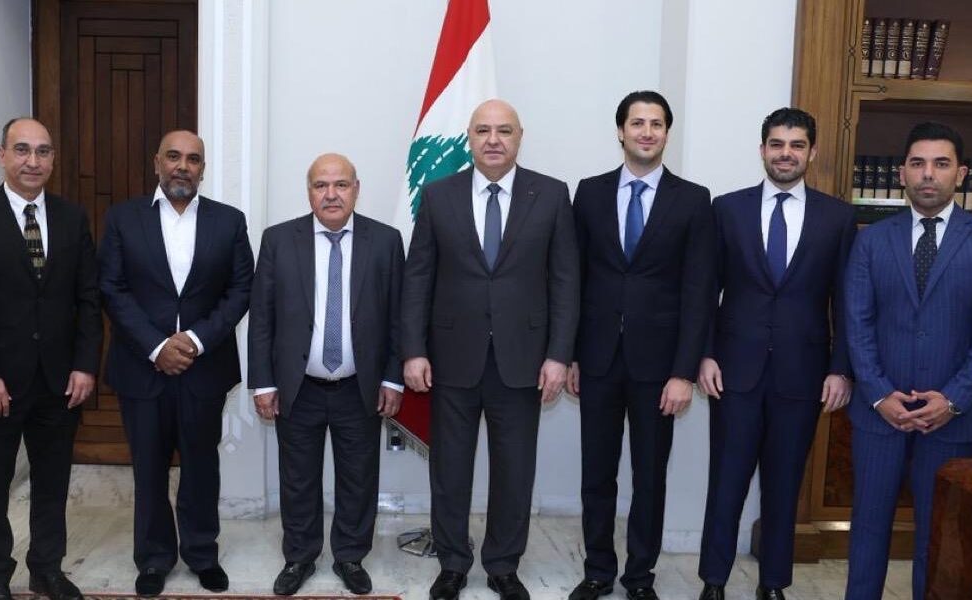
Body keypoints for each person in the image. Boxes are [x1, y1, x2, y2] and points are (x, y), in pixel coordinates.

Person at [401, 99, 580, 600]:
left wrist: (559, 355)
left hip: (524, 360)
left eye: (504, 130)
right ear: (470, 138)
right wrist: (413, 349)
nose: (494, 140)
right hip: (451, 358)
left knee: (514, 470)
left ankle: (503, 565)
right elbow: (418, 278)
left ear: (520, 136)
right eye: (483, 131)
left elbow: (566, 281)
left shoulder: (551, 194)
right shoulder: (438, 195)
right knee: (449, 470)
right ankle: (452, 563)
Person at [844, 122, 972, 600]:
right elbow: (857, 322)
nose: (928, 174)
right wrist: (879, 394)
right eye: (917, 164)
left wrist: (952, 400)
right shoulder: (871, 240)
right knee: (868, 529)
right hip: (880, 416)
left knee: (940, 537)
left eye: (941, 164)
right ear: (902, 173)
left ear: (961, 173)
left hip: (953, 419)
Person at [696, 108, 855, 600]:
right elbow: (705, 289)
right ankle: (714, 581)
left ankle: (773, 583)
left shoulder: (837, 217)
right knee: (726, 481)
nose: (786, 154)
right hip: (733, 371)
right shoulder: (728, 209)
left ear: (812, 152)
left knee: (785, 484)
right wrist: (704, 355)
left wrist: (841, 369)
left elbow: (846, 300)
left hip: (802, 374)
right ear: (762, 149)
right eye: (777, 144)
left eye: (797, 145)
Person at [0, 118, 102, 600]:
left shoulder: (72, 218)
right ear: (2, 155)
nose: (34, 161)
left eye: (43, 151)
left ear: (53, 159)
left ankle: (47, 569)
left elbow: (88, 298)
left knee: (52, 484)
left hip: (59, 382)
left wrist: (85, 364)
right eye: (23, 150)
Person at [566, 90, 716, 600]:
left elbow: (699, 292)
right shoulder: (589, 193)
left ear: (667, 133)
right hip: (598, 360)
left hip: (660, 368)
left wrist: (684, 372)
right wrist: (572, 355)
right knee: (596, 475)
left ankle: (639, 577)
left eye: (656, 124)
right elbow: (574, 280)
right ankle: (597, 571)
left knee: (649, 477)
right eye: (637, 123)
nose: (646, 132)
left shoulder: (693, 200)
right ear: (621, 131)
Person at [97, 130, 253, 597]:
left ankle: (203, 554)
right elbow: (111, 288)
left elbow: (241, 289)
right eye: (173, 157)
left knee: (202, 466)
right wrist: (156, 346)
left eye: (193, 159)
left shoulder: (229, 221)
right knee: (148, 467)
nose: (183, 166)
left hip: (204, 367)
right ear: (157, 163)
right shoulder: (123, 219)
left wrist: (196, 340)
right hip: (141, 366)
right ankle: (153, 558)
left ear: (203, 168)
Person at [247, 153, 404, 596]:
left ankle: (350, 556)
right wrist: (264, 382)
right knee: (298, 478)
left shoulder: (386, 241)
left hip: (360, 386)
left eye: (340, 185)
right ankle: (299, 557)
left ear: (356, 189)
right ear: (309, 191)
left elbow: (399, 316)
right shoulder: (279, 240)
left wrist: (392, 378)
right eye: (321, 185)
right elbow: (262, 318)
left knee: (359, 477)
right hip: (298, 387)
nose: (331, 194)